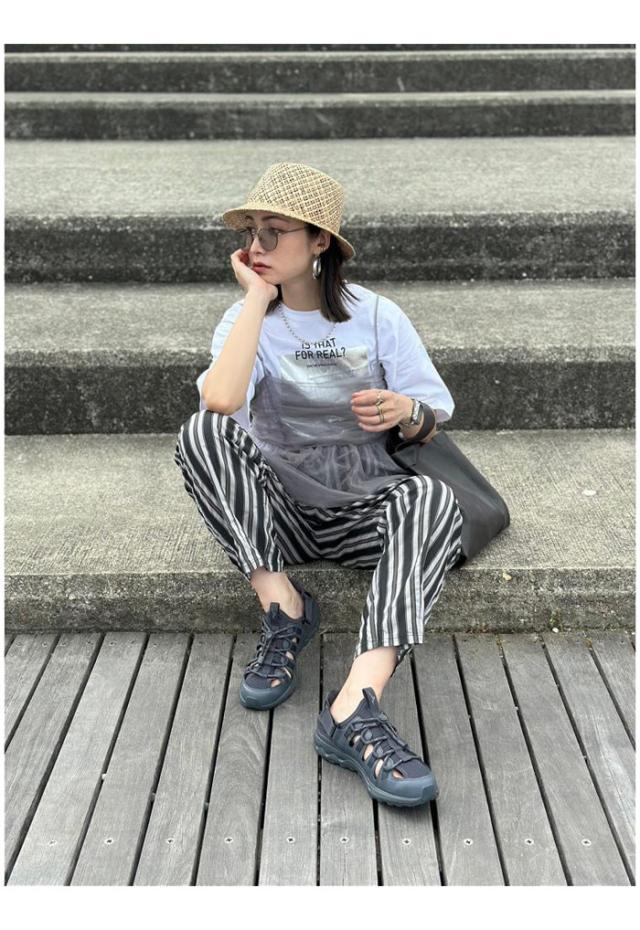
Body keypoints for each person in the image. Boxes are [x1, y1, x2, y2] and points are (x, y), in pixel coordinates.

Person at [174, 162, 464, 807]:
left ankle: (354, 707)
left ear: (319, 241)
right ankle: (285, 608)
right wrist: (256, 300)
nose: (257, 245)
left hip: (365, 509)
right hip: (278, 516)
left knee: (433, 499)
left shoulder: (377, 316)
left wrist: (403, 410)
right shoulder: (243, 320)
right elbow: (219, 403)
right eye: (251, 231)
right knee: (201, 433)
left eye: (274, 231)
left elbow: (432, 414)